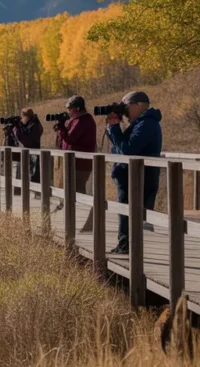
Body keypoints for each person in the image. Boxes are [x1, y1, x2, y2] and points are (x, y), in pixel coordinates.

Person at [106, 91, 163, 255]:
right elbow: (121, 147)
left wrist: (115, 128)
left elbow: (128, 150)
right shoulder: (140, 123)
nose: (123, 111)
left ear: (139, 105)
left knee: (130, 213)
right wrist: (112, 128)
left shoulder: (147, 124)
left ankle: (127, 247)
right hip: (131, 176)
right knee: (125, 211)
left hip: (139, 178)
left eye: (126, 107)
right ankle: (124, 245)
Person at [54, 95, 97, 232]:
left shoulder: (84, 120)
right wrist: (62, 126)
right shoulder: (76, 120)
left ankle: (83, 224)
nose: (68, 112)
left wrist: (61, 127)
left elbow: (71, 139)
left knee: (78, 192)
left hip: (81, 164)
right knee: (72, 192)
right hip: (73, 163)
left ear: (77, 108)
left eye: (70, 109)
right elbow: (62, 143)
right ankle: (77, 223)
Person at [10, 108, 42, 184]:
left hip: (33, 155)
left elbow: (26, 141)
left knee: (33, 178)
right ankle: (20, 190)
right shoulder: (29, 124)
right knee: (22, 177)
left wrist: (17, 129)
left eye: (22, 117)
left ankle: (35, 193)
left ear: (26, 117)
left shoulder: (35, 125)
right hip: (24, 154)